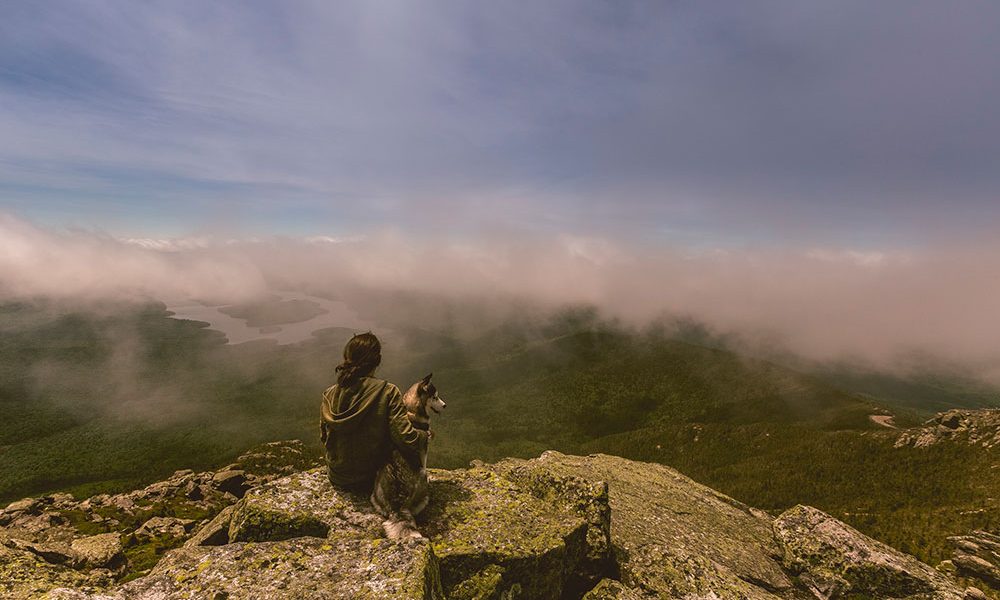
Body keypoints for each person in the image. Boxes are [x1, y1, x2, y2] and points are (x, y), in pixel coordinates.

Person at [320, 332, 427, 495]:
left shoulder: (329, 393)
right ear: (377, 360)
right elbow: (406, 439)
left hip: (337, 476)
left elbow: (324, 437)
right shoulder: (388, 391)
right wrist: (425, 435)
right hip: (372, 479)